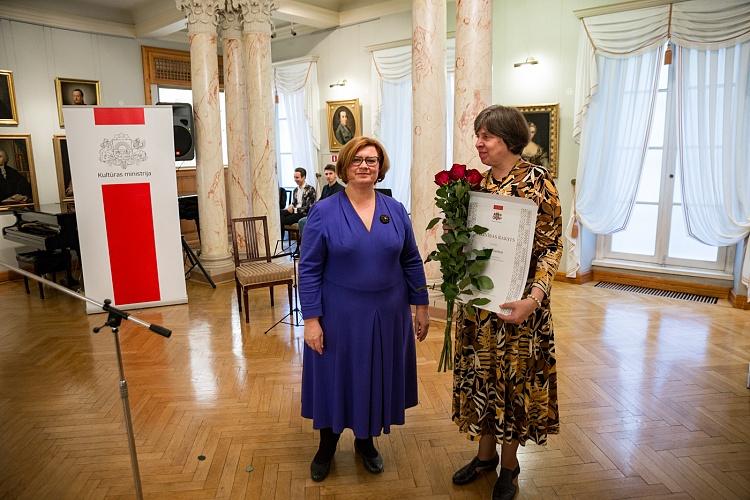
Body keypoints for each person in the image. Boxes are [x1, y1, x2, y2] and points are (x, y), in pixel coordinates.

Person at [299, 136, 430, 482]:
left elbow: (411, 260)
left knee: (373, 376)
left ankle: (365, 441)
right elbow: (309, 268)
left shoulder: (395, 209)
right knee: (335, 377)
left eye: (371, 160)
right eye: (357, 159)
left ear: (380, 167)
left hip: (387, 315)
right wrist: (311, 320)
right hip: (338, 315)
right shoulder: (323, 211)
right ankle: (327, 445)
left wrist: (421, 306)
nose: (364, 165)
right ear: (344, 166)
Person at [451, 105, 562, 500]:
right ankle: (484, 457)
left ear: (510, 140)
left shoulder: (539, 182)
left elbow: (552, 247)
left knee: (513, 383)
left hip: (521, 309)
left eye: (487, 136)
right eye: (478, 135)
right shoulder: (476, 186)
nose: (478, 143)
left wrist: (533, 299)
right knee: (483, 378)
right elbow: (469, 243)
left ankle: (510, 467)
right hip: (480, 308)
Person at [297, 164, 344, 239]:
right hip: (322, 215)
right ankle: (306, 245)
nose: (328, 176)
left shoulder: (341, 189)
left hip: (333, 217)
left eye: (330, 173)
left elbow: (335, 207)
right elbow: (320, 201)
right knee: (302, 221)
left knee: (303, 222)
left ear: (336, 175)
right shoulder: (325, 188)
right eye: (326, 174)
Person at [280, 167, 316, 240]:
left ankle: (281, 241)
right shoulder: (295, 190)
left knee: (281, 220)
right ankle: (280, 241)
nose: (295, 179)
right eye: (294, 177)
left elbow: (309, 207)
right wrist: (290, 206)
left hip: (303, 214)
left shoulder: (310, 189)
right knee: (278, 214)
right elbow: (294, 202)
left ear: (303, 177)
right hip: (294, 211)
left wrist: (294, 209)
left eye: (297, 177)